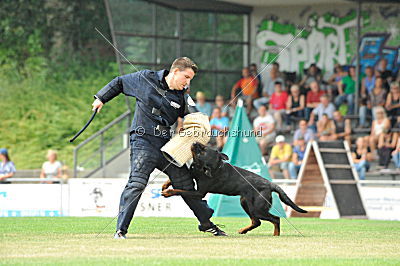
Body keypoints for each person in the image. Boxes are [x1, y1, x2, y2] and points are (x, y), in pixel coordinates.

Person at [92, 57, 226, 238]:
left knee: (185, 184)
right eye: (186, 77)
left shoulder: (183, 96)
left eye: (190, 79)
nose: (187, 82)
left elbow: (196, 118)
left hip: (168, 147)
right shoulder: (145, 78)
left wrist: (201, 128)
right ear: (175, 71)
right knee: (137, 183)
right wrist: (101, 97)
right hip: (142, 141)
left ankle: (206, 224)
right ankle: (120, 230)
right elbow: (119, 82)